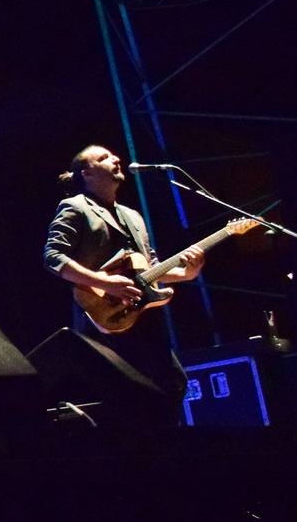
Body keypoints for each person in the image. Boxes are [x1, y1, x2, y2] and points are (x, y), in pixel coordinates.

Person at [43, 144, 204, 421]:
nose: (116, 158)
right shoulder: (75, 207)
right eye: (103, 157)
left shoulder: (133, 216)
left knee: (172, 384)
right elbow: (53, 257)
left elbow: (150, 269)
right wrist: (105, 283)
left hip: (143, 314)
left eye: (113, 154)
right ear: (87, 173)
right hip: (104, 317)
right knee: (127, 392)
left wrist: (187, 273)